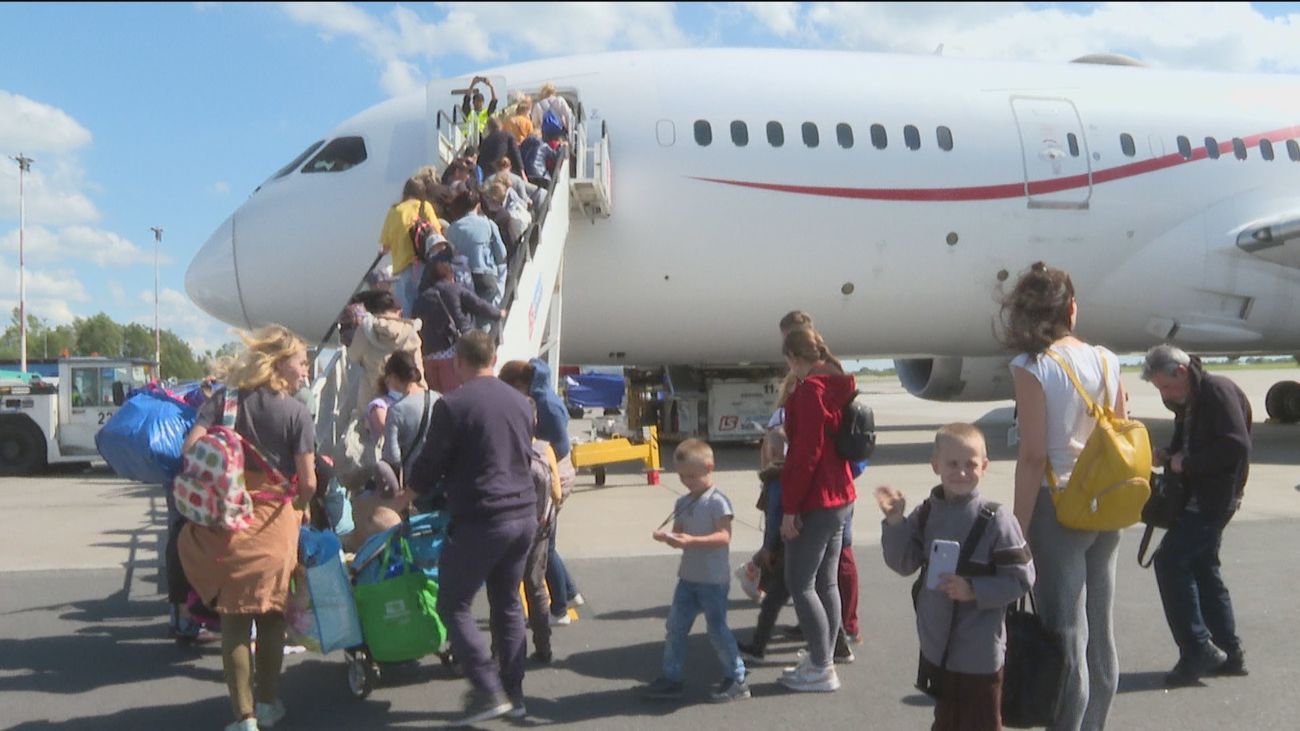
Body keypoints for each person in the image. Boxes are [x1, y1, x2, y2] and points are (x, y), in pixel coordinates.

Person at [1003, 261, 1125, 731]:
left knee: (1064, 631)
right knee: (1100, 627)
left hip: (1059, 504)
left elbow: (1033, 455)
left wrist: (1017, 526)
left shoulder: (1033, 366)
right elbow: (1116, 432)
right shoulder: (1106, 359)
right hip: (1104, 502)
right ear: (1072, 309)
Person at [178, 325, 317, 731]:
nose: (305, 371)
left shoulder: (224, 401)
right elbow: (307, 483)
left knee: (235, 621)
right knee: (272, 616)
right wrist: (301, 508)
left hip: (227, 522)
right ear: (278, 363)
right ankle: (270, 703)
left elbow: (191, 451)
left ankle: (244, 717)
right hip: (275, 522)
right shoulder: (295, 412)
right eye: (301, 362)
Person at [407, 330, 538, 725]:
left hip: (483, 516)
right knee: (507, 604)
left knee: (453, 603)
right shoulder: (520, 401)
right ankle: (513, 694)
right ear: (494, 359)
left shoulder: (453, 404)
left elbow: (430, 464)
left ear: (459, 362)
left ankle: (486, 688)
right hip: (524, 513)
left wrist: (407, 494)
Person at [877, 424, 1035, 731]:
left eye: (971, 465)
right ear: (935, 464)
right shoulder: (927, 512)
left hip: (979, 652)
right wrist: (895, 522)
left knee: (982, 723)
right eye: (952, 464)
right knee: (947, 721)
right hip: (938, 648)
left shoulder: (996, 518)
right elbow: (903, 562)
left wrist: (973, 589)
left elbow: (1022, 578)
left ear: (984, 467)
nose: (961, 472)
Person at [1141, 344, 1252, 686]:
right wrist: (1169, 454)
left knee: (1170, 560)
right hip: (1202, 496)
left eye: (1165, 386)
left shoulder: (1216, 391)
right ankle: (1230, 653)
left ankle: (1197, 647)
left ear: (1182, 372)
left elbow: (1236, 444)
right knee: (1204, 568)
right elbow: (1190, 440)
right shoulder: (1190, 398)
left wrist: (1187, 463)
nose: (1164, 394)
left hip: (1214, 499)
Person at [778, 328, 859, 693]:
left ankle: (822, 665)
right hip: (841, 494)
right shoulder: (837, 384)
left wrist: (790, 508)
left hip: (818, 498)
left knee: (801, 583)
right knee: (826, 582)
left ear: (795, 358)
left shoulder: (811, 390)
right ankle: (822, 657)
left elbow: (805, 454)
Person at [639, 439, 750, 703]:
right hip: (688, 577)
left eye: (691, 475)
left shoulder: (718, 501)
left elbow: (724, 536)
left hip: (713, 579)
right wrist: (668, 537)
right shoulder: (683, 501)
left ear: (709, 467)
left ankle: (737, 678)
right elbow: (679, 532)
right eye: (681, 476)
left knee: (717, 629)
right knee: (675, 627)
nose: (686, 481)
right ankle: (671, 676)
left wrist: (690, 542)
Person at [497, 358, 583, 627]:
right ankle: (569, 592)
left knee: (546, 545)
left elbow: (555, 444)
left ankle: (558, 608)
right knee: (548, 542)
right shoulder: (543, 395)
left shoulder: (542, 404)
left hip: (552, 472)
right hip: (555, 469)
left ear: (520, 384)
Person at [412, 243, 505, 394]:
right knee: (455, 395)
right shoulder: (454, 289)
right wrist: (498, 313)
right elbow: (478, 305)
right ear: (450, 275)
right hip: (450, 354)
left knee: (437, 399)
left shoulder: (422, 297)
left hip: (428, 356)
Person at [736, 427, 790, 663]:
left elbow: (774, 517)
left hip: (783, 548)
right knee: (804, 595)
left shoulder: (776, 480)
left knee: (774, 600)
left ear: (773, 451)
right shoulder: (789, 475)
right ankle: (836, 643)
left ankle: (758, 646)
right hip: (792, 546)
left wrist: (767, 548)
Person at [377, 175, 443, 317]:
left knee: (404, 312)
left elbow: (385, 246)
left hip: (400, 270)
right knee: (423, 306)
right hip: (422, 266)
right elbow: (437, 231)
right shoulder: (425, 207)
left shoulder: (394, 211)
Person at [443, 188, 508, 314]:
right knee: (486, 314)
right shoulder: (488, 224)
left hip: (464, 279)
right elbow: (502, 254)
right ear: (478, 206)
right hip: (486, 275)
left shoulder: (451, 230)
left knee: (470, 314)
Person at [478, 117, 527, 184]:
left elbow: (480, 162)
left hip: (489, 176)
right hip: (504, 174)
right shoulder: (508, 136)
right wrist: (523, 174)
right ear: (501, 125)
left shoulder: (485, 142)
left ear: (489, 128)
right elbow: (516, 155)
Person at [460, 76, 497, 145]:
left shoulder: (486, 112)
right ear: (473, 102)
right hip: (468, 139)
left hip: (483, 138)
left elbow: (494, 101)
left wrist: (491, 87)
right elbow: (466, 100)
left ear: (483, 102)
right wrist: (472, 84)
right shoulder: (469, 112)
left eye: (480, 101)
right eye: (476, 101)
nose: (478, 103)